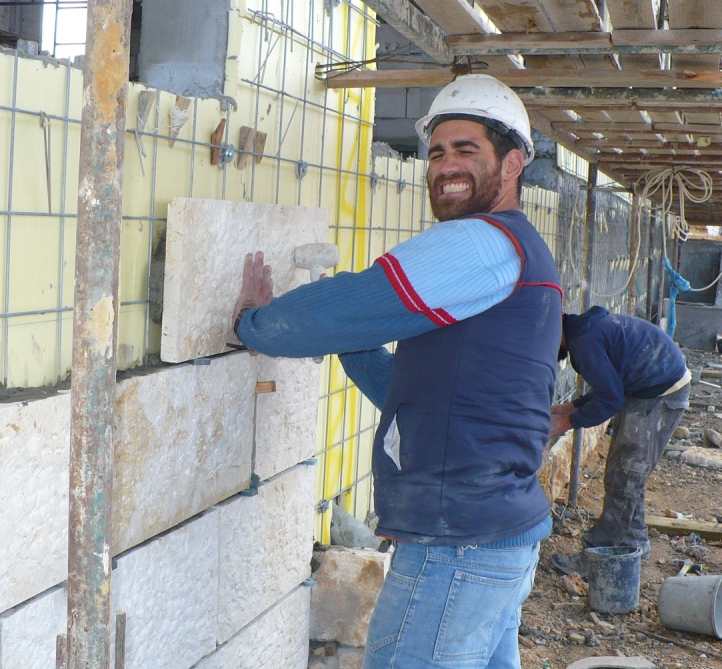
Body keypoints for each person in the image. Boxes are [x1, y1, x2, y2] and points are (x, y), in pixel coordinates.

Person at [230, 74, 562, 669]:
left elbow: (364, 301)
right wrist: (347, 338)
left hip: (457, 547)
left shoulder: (479, 244)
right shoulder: (517, 250)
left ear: (513, 163)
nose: (445, 165)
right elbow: (417, 396)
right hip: (496, 538)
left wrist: (256, 323)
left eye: (466, 150)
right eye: (436, 152)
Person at [549, 307, 691, 576]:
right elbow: (612, 386)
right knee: (625, 472)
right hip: (649, 387)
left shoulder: (584, 344)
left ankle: (596, 557)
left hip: (659, 393)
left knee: (625, 475)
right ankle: (634, 541)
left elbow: (611, 400)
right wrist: (571, 407)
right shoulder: (586, 331)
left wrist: (566, 422)